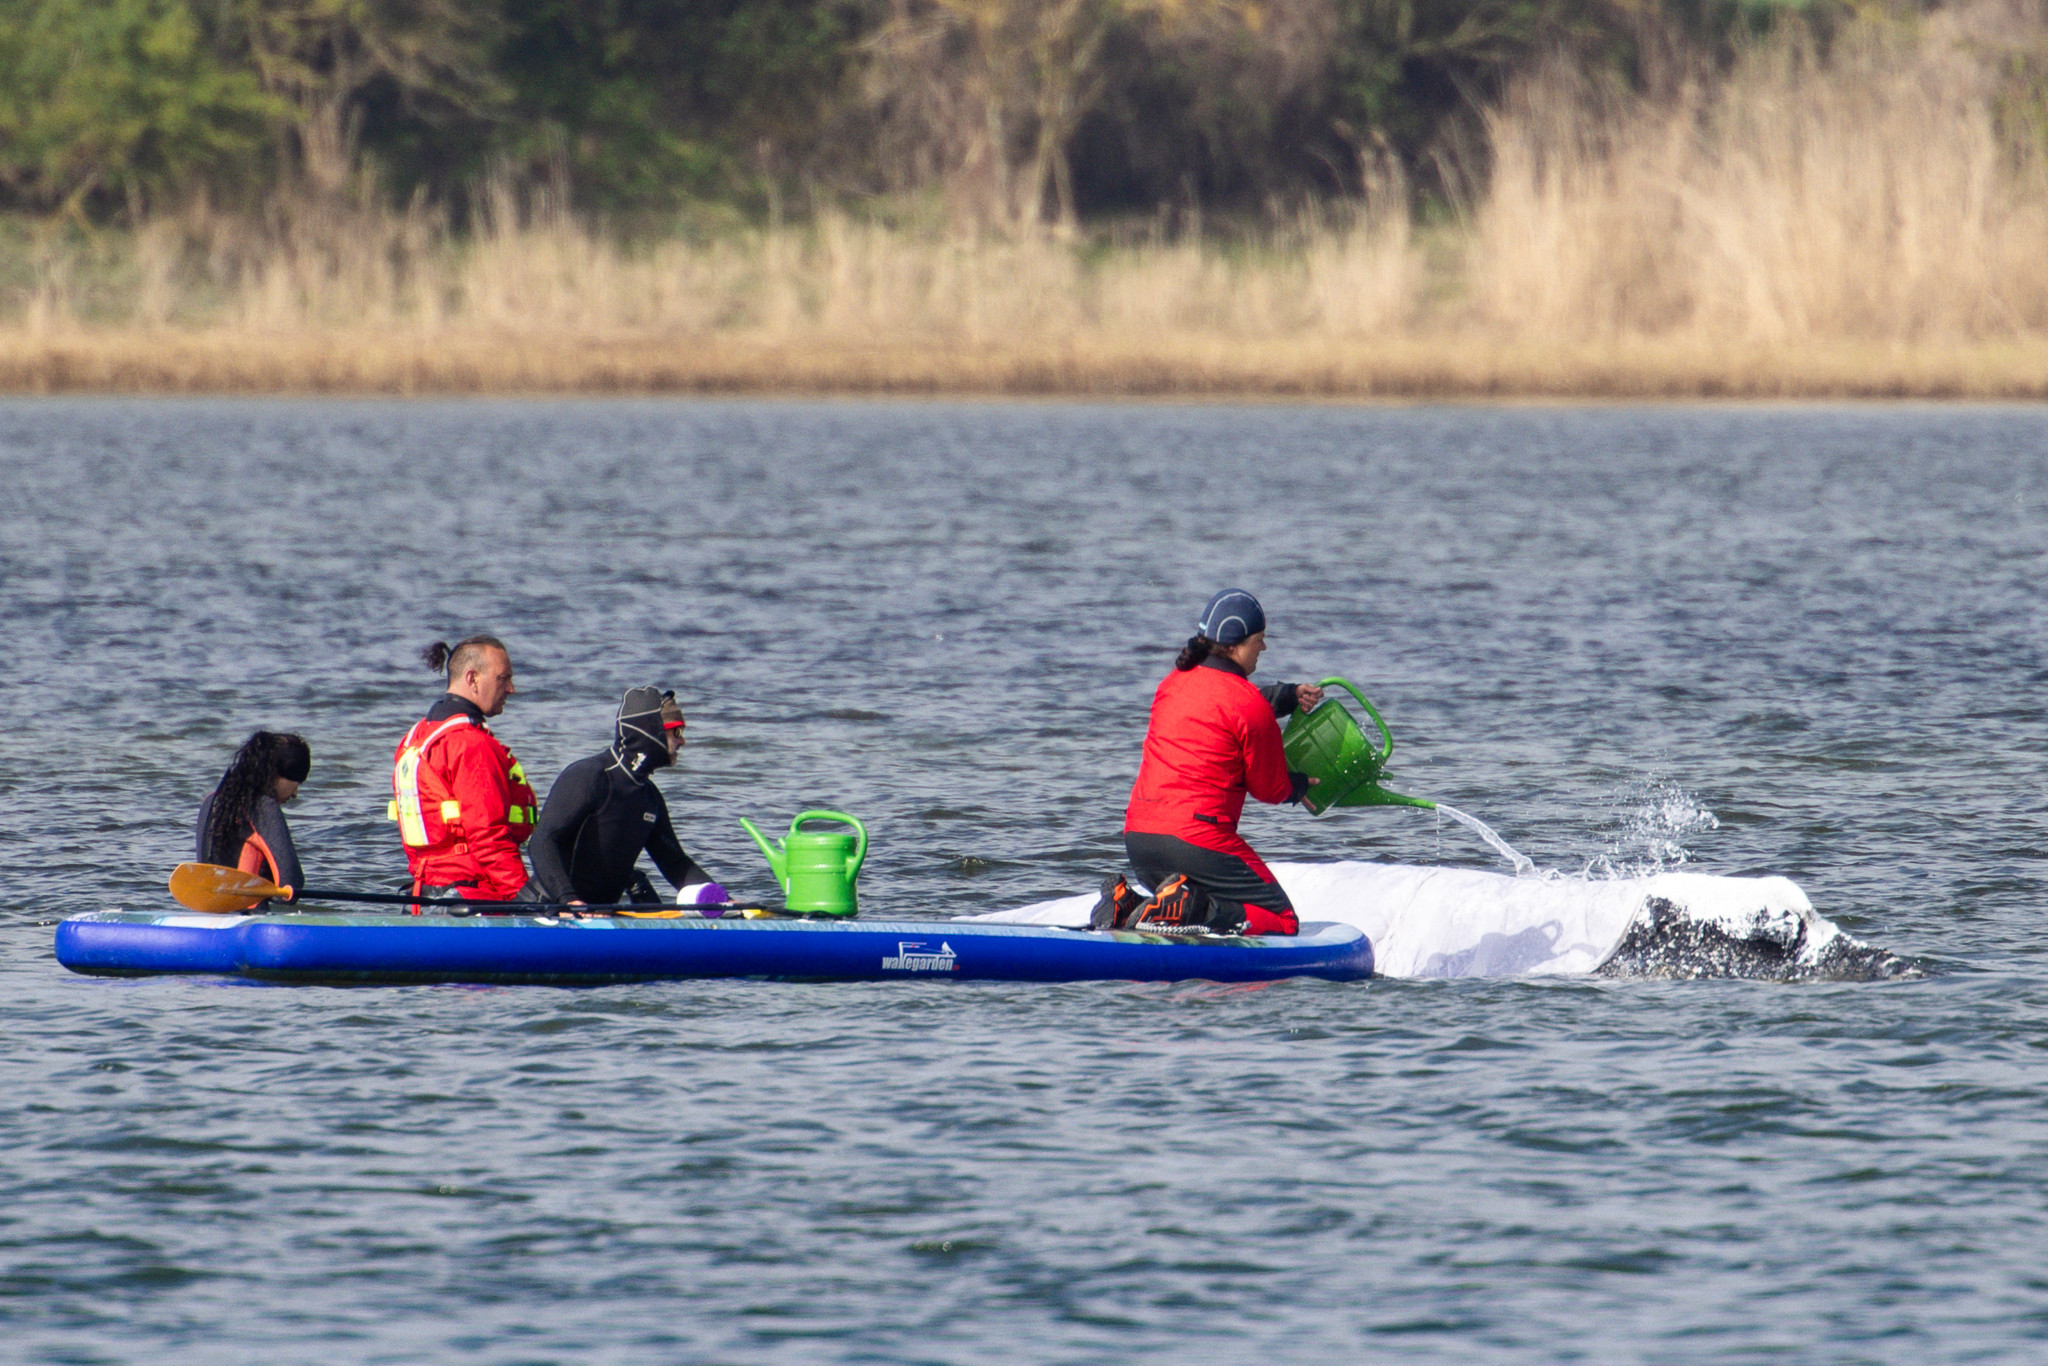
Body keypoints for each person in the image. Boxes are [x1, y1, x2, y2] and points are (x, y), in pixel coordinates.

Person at [1100, 588, 1325, 936]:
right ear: (1234, 646)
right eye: (1259, 639)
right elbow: (1269, 788)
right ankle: (1193, 909)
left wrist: (1285, 696)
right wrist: (1296, 787)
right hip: (1197, 840)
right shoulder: (1249, 705)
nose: (1264, 648)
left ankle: (1127, 904)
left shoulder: (1172, 684)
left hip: (1139, 837)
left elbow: (1224, 704)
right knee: (1282, 920)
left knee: (1192, 894)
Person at [526, 686, 728, 908]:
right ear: (651, 731)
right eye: (676, 732)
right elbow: (541, 842)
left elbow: (675, 863)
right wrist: (568, 902)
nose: (682, 742)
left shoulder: (649, 796)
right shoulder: (589, 776)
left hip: (597, 915)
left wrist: (724, 902)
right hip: (545, 909)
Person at [390, 635, 537, 902]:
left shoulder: (415, 739)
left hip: (424, 896)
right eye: (503, 679)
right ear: (472, 679)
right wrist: (526, 898)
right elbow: (488, 836)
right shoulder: (472, 744)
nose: (511, 689)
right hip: (474, 897)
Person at [197, 731, 312, 893]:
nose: (295, 793)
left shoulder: (211, 801)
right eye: (297, 781)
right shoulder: (262, 807)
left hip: (210, 911)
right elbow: (292, 884)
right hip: (252, 912)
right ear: (276, 774)